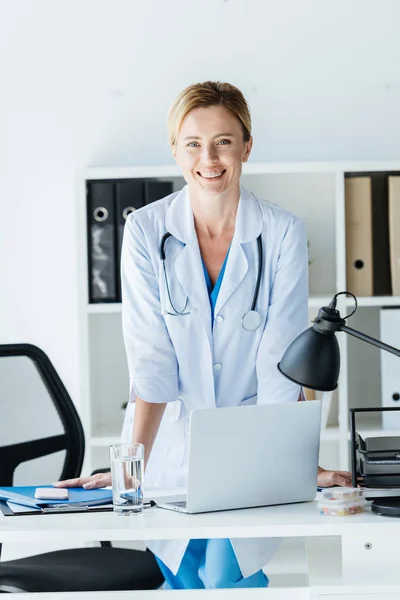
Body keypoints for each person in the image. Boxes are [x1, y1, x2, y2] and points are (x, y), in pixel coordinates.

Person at [55, 81, 352, 589]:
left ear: (246, 146)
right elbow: (150, 362)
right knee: (185, 578)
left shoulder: (281, 231)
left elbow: (281, 360)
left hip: (252, 450)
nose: (208, 157)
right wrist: (132, 468)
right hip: (170, 451)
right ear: (175, 150)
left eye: (224, 141)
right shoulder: (147, 231)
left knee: (227, 575)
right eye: (193, 142)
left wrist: (300, 465)